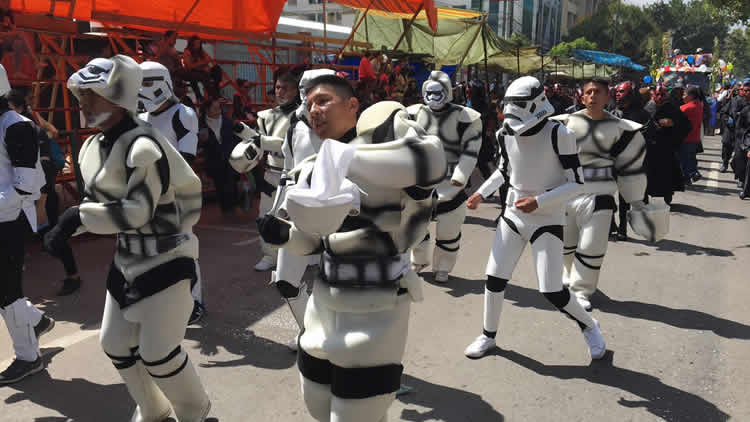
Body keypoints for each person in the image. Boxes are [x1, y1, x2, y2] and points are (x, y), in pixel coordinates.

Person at [255, 74, 446, 422]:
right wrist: (282, 234)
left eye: (323, 100)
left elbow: (432, 161)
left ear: (352, 105)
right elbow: (311, 241)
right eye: (309, 103)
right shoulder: (313, 167)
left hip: (377, 304)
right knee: (316, 402)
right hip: (324, 303)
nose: (314, 110)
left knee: (354, 413)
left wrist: (343, 158)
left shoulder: (383, 129)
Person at [46, 55, 211, 421]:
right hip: (127, 258)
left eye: (93, 95)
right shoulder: (93, 148)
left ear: (118, 96)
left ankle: (194, 411)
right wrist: (74, 226)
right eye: (82, 95)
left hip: (167, 257)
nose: (83, 103)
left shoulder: (144, 148)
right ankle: (153, 409)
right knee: (115, 344)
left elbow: (136, 211)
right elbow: (103, 208)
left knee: (159, 352)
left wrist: (75, 218)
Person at [462, 76, 605, 361]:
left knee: (551, 290)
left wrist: (540, 201)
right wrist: (481, 193)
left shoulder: (559, 134)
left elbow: (577, 183)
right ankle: (488, 336)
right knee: (494, 278)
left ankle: (590, 326)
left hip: (547, 219)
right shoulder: (506, 133)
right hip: (513, 215)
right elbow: (505, 170)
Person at [231, 69, 335, 351]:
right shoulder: (296, 125)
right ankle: (309, 331)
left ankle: (341, 341)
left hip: (335, 214)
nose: (306, 94)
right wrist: (277, 213)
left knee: (340, 284)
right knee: (285, 281)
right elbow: (288, 172)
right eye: (303, 88)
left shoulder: (347, 126)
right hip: (297, 208)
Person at [552, 78, 649, 311]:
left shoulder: (622, 129)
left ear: (608, 97)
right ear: (582, 97)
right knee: (566, 243)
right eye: (589, 92)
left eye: (598, 92)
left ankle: (582, 290)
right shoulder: (561, 124)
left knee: (592, 246)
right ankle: (567, 274)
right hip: (566, 192)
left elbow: (631, 167)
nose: (593, 96)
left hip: (600, 194)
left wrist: (636, 202)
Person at [137, 61, 207, 325]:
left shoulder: (182, 113)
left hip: (177, 193)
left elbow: (186, 159)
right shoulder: (140, 118)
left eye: (145, 83)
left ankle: (195, 301)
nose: (140, 91)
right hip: (147, 194)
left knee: (183, 249)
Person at [0, 65, 55, 385]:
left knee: (8, 292)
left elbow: (27, 186)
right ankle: (35, 321)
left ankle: (28, 357)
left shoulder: (16, 127)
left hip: (12, 220)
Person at [408, 71, 482, 282]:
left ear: (448, 92)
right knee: (415, 227)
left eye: (438, 92)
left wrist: (461, 174)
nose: (433, 97)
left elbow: (471, 150)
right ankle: (419, 259)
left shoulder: (466, 117)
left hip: (451, 184)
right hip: (419, 182)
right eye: (429, 92)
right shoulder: (413, 113)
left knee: (449, 231)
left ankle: (444, 266)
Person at [6, 89, 82, 296]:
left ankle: (73, 276)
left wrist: (42, 203)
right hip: (19, 200)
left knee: (53, 240)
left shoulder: (32, 131)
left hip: (40, 195)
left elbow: (46, 167)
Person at [251, 71, 299, 272]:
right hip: (271, 171)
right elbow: (257, 146)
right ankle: (270, 254)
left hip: (294, 173)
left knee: (294, 218)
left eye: (285, 88)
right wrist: (257, 176)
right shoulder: (266, 116)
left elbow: (293, 145)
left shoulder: (302, 115)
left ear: (295, 90)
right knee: (266, 215)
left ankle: (297, 257)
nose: (280, 91)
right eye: (278, 87)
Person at [611, 81, 651, 241]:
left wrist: (611, 152)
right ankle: (611, 225)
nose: (619, 95)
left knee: (625, 198)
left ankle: (622, 228)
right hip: (613, 160)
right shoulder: (614, 111)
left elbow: (626, 138)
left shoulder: (639, 114)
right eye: (618, 93)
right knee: (606, 194)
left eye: (622, 92)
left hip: (632, 162)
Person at [643, 85, 691, 205]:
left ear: (667, 96)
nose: (659, 97)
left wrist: (673, 123)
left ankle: (666, 198)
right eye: (657, 95)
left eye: (662, 95)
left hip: (666, 148)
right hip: (649, 149)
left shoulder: (673, 109)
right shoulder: (647, 108)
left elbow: (686, 126)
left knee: (666, 176)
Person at [199, 96, 241, 216]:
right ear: (207, 110)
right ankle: (226, 208)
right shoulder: (200, 123)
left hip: (229, 157)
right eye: (215, 108)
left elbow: (236, 136)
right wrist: (202, 140)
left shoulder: (227, 121)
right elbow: (199, 142)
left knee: (231, 182)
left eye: (219, 108)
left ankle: (233, 207)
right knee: (220, 184)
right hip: (214, 159)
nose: (218, 111)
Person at [182, 35, 221, 100]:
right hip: (192, 72)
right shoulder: (187, 51)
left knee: (217, 69)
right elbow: (190, 66)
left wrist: (208, 66)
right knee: (203, 75)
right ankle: (211, 95)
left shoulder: (201, 51)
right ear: (192, 44)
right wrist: (202, 64)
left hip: (201, 70)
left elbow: (209, 60)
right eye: (196, 43)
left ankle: (216, 91)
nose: (198, 45)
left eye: (199, 43)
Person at [680, 86, 704, 184]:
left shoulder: (685, 108)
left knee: (684, 159)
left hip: (685, 138)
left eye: (684, 94)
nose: (682, 97)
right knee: (690, 157)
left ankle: (691, 174)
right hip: (695, 137)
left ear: (691, 96)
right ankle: (691, 175)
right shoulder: (699, 105)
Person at [732, 81, 750, 199]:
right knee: (738, 160)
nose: (746, 93)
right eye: (745, 90)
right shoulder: (739, 102)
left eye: (748, 91)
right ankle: (741, 178)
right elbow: (738, 124)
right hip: (741, 137)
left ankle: (746, 188)